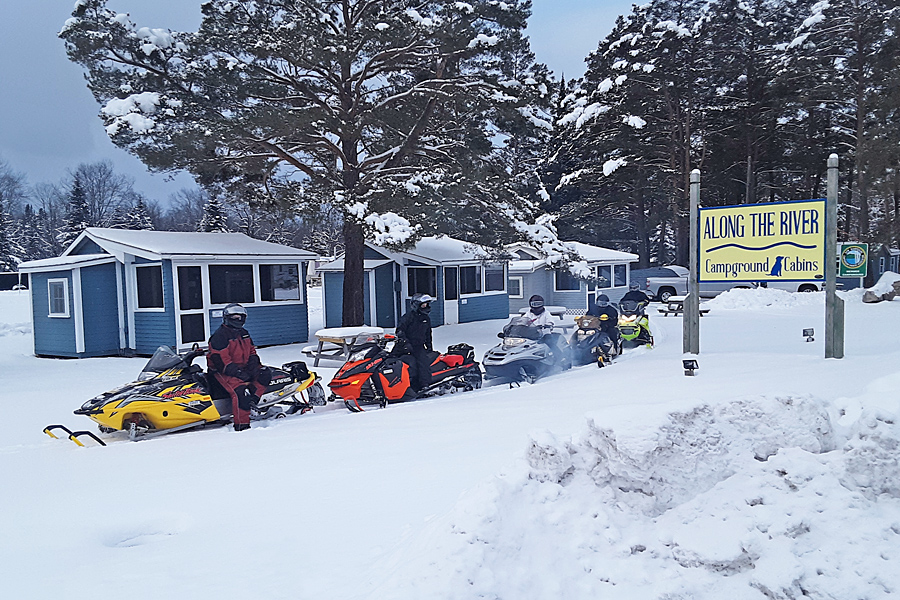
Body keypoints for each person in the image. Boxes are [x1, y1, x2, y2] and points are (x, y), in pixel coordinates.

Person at [207, 303, 270, 431]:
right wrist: (239, 373)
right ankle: (242, 425)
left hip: (243, 368)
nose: (238, 319)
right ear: (227, 318)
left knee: (265, 373)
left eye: (240, 317)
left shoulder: (244, 333)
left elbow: (252, 352)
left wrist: (253, 367)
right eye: (234, 317)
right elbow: (221, 361)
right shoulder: (220, 336)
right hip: (223, 372)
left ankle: (252, 402)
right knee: (240, 392)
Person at [396, 293, 435, 391]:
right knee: (390, 360)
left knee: (423, 363)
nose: (425, 307)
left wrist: (429, 346)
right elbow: (400, 330)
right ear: (416, 305)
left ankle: (424, 384)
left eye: (426, 304)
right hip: (404, 344)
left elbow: (428, 334)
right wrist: (405, 342)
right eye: (423, 305)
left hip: (418, 345)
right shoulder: (408, 317)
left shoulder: (426, 318)